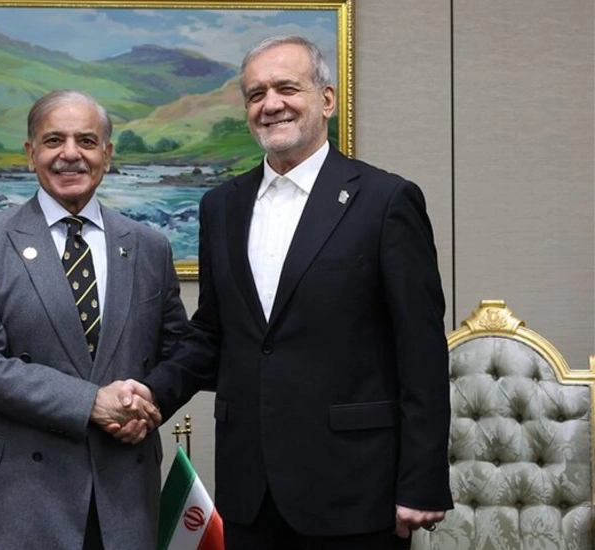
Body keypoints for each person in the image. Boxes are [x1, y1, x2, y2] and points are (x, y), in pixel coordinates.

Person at [136, 35, 453, 549]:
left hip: (355, 489)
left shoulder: (385, 200)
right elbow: (212, 333)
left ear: (326, 100)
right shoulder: (221, 206)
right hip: (249, 491)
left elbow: (421, 352)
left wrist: (422, 480)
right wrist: (151, 394)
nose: (271, 104)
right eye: (256, 94)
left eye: (287, 88)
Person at [0, 90, 187, 550]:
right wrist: (91, 403)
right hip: (12, 501)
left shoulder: (149, 245)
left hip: (122, 494)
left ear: (107, 154)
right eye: (54, 140)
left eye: (86, 141)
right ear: (31, 153)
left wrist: (147, 406)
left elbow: (177, 352)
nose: (71, 154)